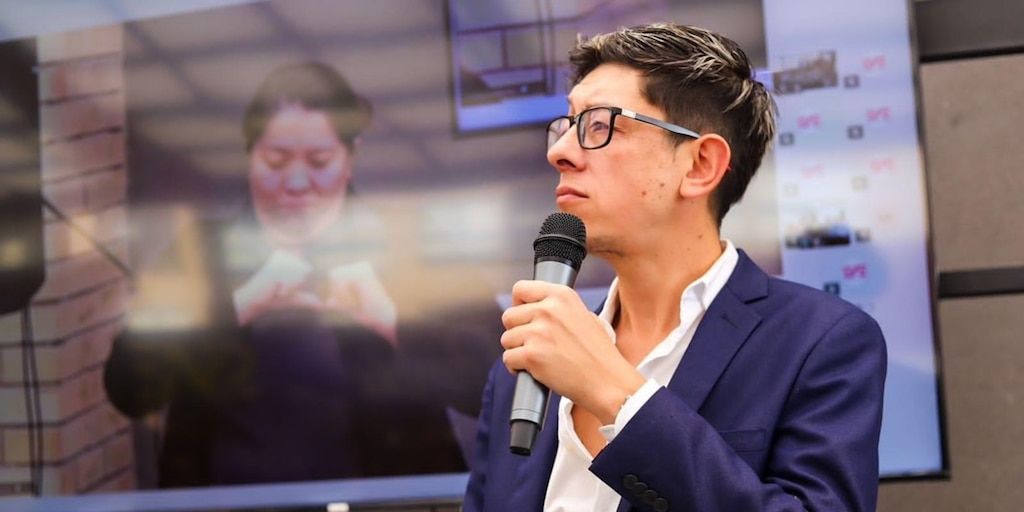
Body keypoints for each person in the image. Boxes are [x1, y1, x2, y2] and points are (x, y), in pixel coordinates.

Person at [464, 24, 887, 511]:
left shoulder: (820, 342)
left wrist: (614, 393)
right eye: (567, 124)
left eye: (599, 125)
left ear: (701, 164)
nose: (559, 152)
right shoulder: (523, 366)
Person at [105, 62, 500, 487]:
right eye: (275, 161)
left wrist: (393, 323)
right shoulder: (203, 251)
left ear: (350, 157)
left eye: (319, 161)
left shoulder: (403, 242)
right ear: (250, 156)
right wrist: (233, 309)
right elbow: (129, 389)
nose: (296, 181)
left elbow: (498, 382)